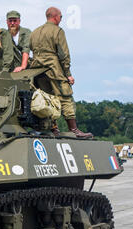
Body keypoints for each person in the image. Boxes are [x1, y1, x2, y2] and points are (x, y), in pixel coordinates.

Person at [30, 7, 93, 138]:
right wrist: (68, 73)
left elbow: (30, 48)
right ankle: (74, 130)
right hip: (53, 68)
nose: (61, 19)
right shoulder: (58, 31)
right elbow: (64, 54)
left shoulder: (35, 32)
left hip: (37, 70)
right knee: (65, 97)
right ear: (55, 17)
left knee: (47, 99)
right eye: (61, 17)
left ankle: (53, 129)